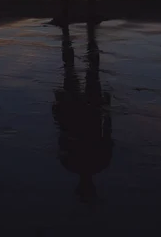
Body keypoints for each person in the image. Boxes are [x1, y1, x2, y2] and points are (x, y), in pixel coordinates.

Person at [52, 24, 113, 201]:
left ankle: (74, 34)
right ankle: (88, 36)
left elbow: (63, 132)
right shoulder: (94, 163)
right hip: (88, 111)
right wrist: (107, 109)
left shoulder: (81, 163)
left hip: (77, 112)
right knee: (86, 73)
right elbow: (107, 133)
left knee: (73, 71)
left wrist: (58, 109)